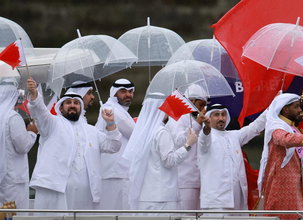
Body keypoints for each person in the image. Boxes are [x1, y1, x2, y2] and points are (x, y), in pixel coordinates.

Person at [26, 77, 122, 213]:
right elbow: (40, 112)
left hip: (85, 194)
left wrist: (111, 123)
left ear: (80, 107)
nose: (72, 105)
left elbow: (113, 146)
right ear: (61, 107)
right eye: (68, 103)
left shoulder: (91, 131)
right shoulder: (52, 124)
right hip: (57, 190)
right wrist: (35, 95)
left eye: (76, 103)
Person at [198, 104, 267, 216]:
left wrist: (273, 106)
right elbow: (203, 141)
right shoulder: (205, 137)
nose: (221, 118)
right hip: (217, 203)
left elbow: (255, 127)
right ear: (209, 118)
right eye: (216, 115)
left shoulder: (234, 136)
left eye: (223, 114)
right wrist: (206, 128)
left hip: (238, 200)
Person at [137, 114, 197, 216]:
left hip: (147, 195)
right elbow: (169, 161)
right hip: (163, 197)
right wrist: (188, 144)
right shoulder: (162, 132)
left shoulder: (145, 130)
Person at [166, 84, 208, 211]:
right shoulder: (176, 116)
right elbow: (179, 141)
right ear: (192, 101)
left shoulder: (194, 117)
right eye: (201, 104)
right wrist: (197, 124)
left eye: (205, 105)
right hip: (184, 180)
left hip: (201, 178)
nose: (203, 108)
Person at [95, 79, 136, 210]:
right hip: (113, 172)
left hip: (119, 172)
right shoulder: (110, 109)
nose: (128, 95)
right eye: (123, 91)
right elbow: (134, 133)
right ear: (114, 93)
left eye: (130, 91)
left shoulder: (120, 110)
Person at [0, 76, 37, 211]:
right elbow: (23, 146)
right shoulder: (13, 117)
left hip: (3, 179)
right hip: (13, 181)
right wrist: (32, 132)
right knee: (14, 215)